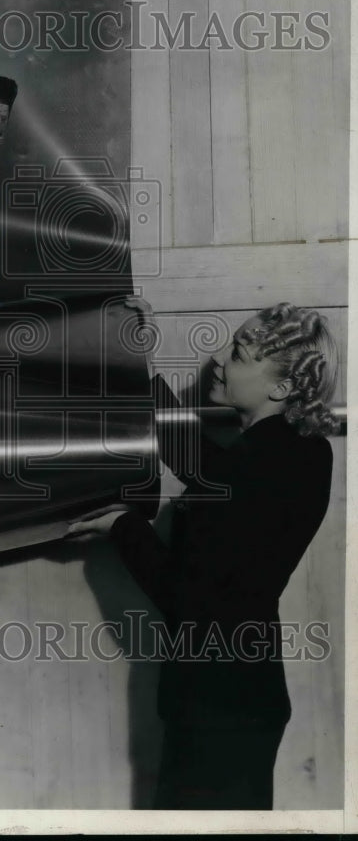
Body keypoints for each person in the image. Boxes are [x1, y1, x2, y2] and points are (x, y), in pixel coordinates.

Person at [69, 299, 338, 809]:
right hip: (239, 699)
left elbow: (182, 594)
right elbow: (208, 469)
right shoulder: (294, 452)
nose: (219, 361)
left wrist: (121, 524)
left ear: (281, 387)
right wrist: (137, 357)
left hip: (215, 710)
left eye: (238, 353)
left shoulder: (264, 461)